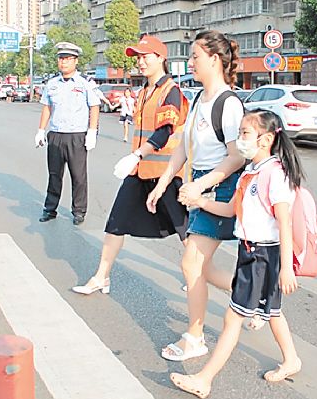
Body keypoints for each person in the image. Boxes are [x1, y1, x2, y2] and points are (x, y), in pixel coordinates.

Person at [170, 109, 304, 399]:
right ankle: (291, 359)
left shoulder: (274, 174)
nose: (240, 138)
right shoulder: (250, 172)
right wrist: (200, 201)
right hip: (250, 251)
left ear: (266, 139)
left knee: (233, 319)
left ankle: (204, 379)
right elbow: (230, 210)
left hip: (264, 255)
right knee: (273, 312)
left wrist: (286, 268)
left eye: (245, 133)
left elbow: (285, 221)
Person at [147, 30, 245, 362]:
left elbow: (236, 157)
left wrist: (202, 188)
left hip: (219, 186)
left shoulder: (227, 103)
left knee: (192, 264)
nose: (190, 63)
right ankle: (253, 297)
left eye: (195, 57)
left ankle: (195, 337)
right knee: (200, 266)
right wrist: (162, 185)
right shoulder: (199, 100)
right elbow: (184, 150)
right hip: (199, 183)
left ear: (215, 60)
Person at [71, 35, 189, 295]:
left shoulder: (171, 91)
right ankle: (101, 276)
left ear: (161, 58)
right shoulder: (144, 91)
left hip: (167, 174)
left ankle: (197, 276)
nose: (141, 61)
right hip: (139, 172)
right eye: (138, 57)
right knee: (116, 223)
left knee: (186, 232)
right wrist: (136, 159)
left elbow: (164, 131)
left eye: (146, 56)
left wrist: (137, 155)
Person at [35, 42, 100, 226]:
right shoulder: (52, 83)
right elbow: (47, 107)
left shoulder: (85, 82)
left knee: (78, 176)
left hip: (77, 135)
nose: (63, 62)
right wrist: (41, 130)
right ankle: (50, 209)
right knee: (54, 174)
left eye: (67, 59)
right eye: (61, 58)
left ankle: (79, 211)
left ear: (75, 61)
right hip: (56, 134)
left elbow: (94, 106)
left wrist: (92, 132)